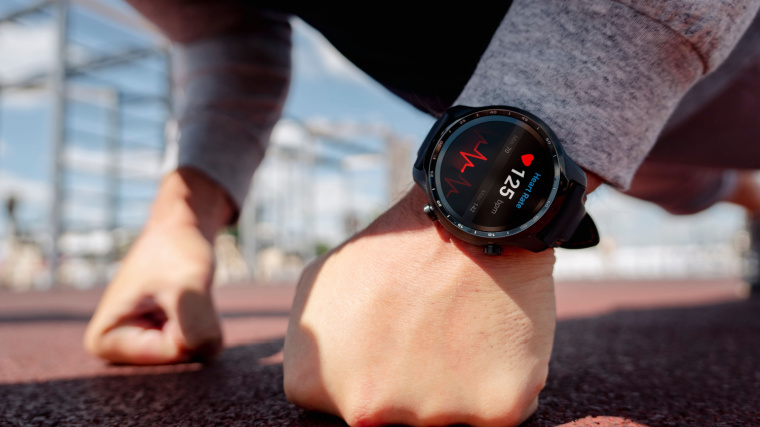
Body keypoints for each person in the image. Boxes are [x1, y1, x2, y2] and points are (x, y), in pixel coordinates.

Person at [84, 1, 760, 425]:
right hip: (628, 137)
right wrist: (181, 219)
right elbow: (222, 33)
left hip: (733, 65)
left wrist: (460, 231)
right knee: (678, 188)